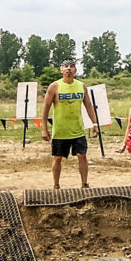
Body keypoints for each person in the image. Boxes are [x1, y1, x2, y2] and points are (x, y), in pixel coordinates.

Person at [40, 60, 91, 189]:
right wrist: (44, 129)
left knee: (82, 155)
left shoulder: (81, 86)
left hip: (78, 129)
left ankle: (84, 183)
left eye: (72, 66)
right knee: (58, 158)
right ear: (61, 70)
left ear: (75, 70)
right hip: (61, 130)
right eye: (66, 67)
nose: (69, 69)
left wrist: (95, 123)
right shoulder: (54, 86)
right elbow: (46, 108)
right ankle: (56, 185)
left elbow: (89, 106)